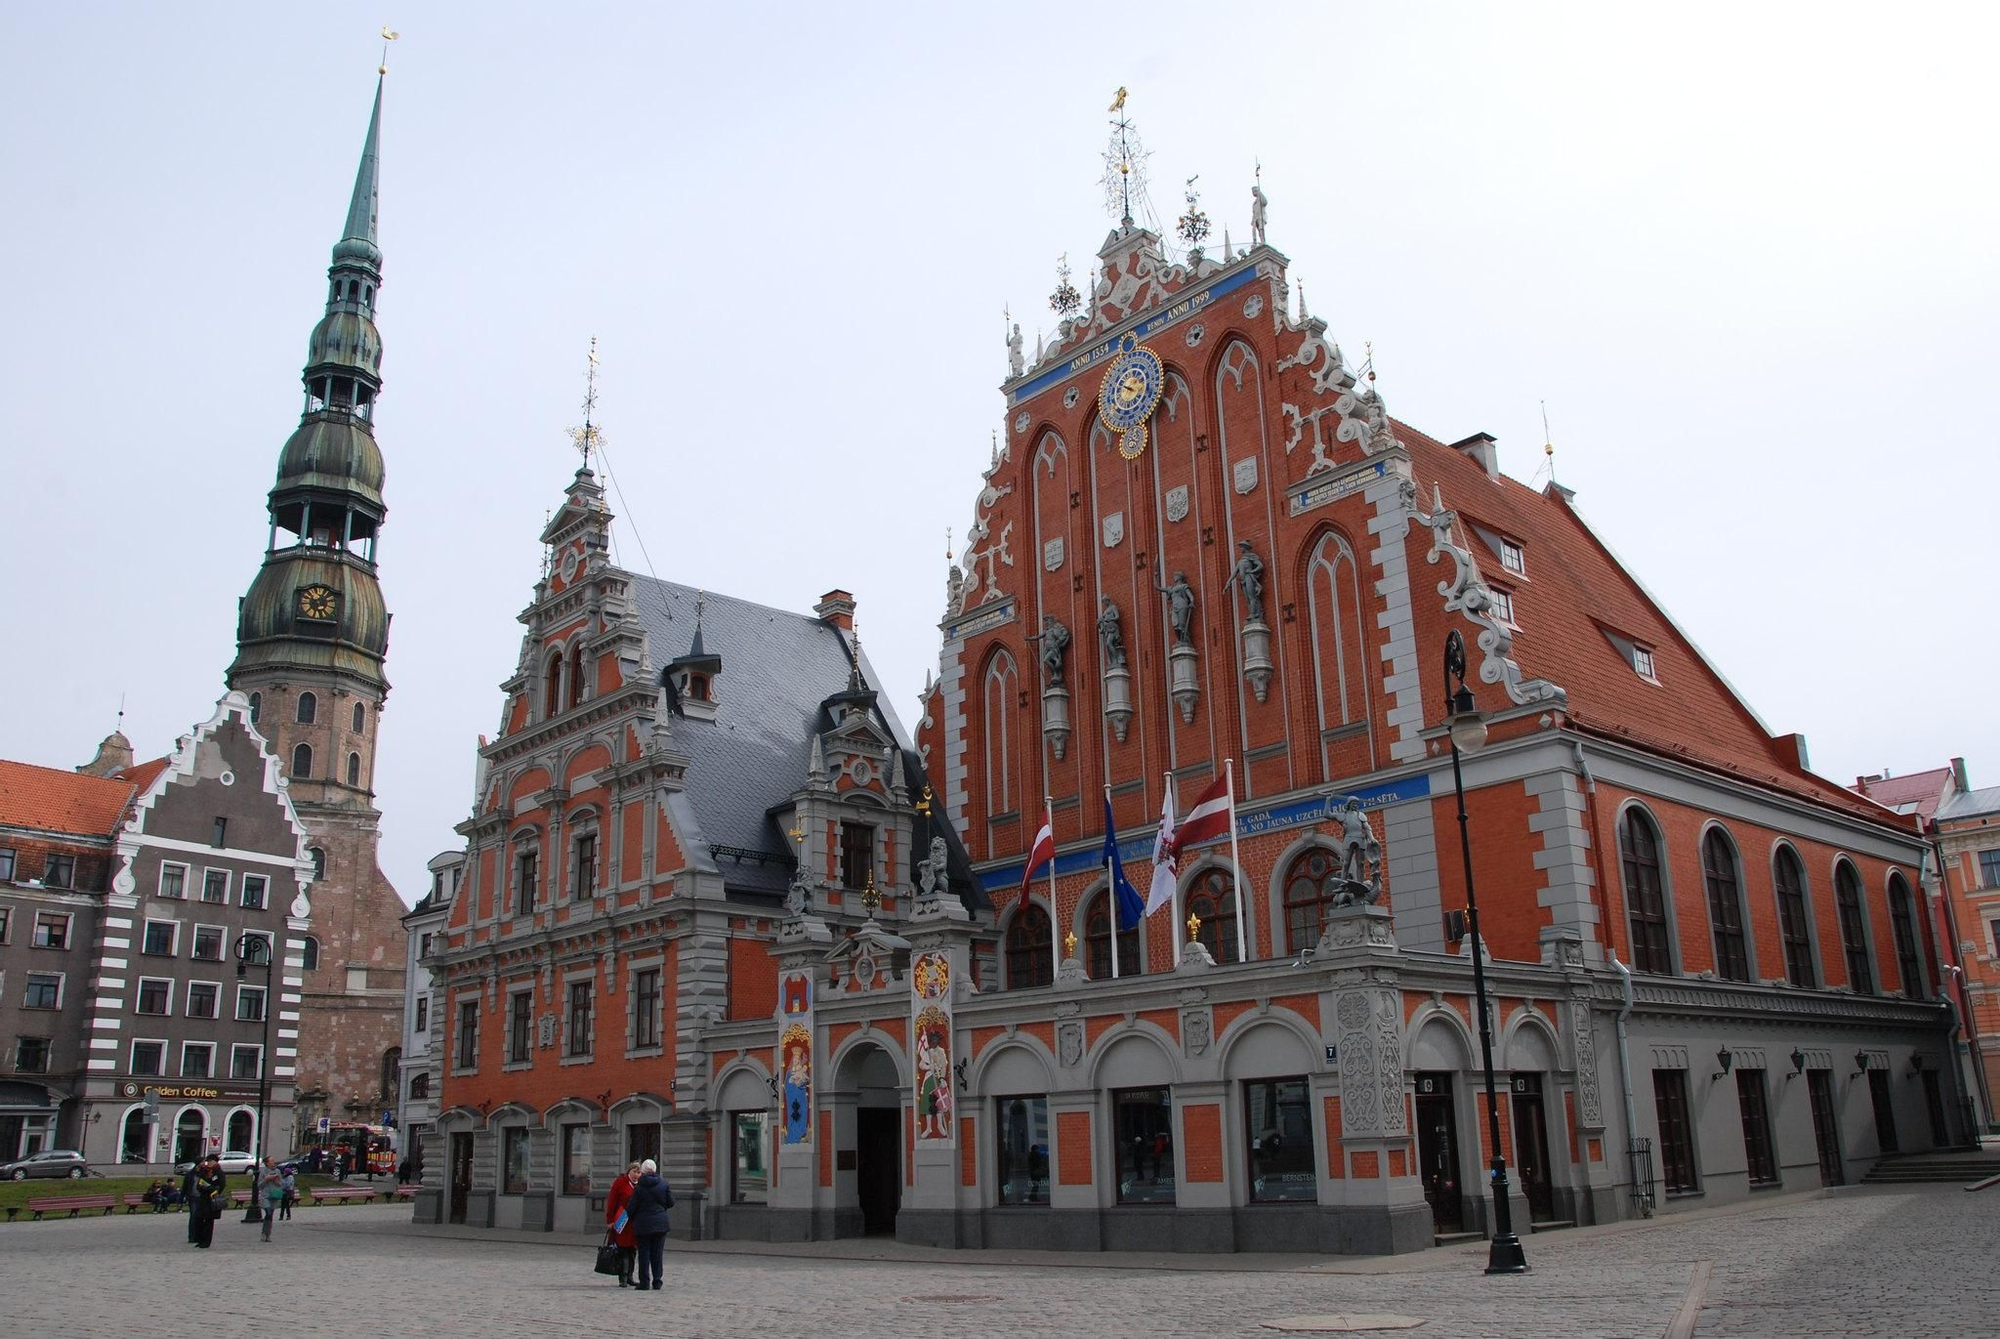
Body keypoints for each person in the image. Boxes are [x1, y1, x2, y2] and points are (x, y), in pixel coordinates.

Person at [626, 1158, 675, 1293]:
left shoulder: (639, 1187)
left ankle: (645, 1282)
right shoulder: (664, 1184)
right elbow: (671, 1202)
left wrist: (627, 1220)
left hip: (643, 1225)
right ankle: (657, 1281)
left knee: (644, 1254)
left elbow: (631, 1207)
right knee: (657, 1253)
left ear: (642, 1171)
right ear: (654, 1170)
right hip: (660, 1223)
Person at [604, 1161, 640, 1288]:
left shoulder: (639, 1186)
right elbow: (612, 1202)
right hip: (622, 1221)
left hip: (634, 1223)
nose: (636, 1175)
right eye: (634, 1171)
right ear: (628, 1172)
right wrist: (609, 1220)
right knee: (622, 1249)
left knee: (632, 1250)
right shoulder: (620, 1183)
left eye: (638, 1172)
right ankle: (623, 1277)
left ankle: (630, 1276)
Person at [188, 1156, 226, 1248]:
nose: (208, 1163)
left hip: (212, 1200)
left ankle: (206, 1242)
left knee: (209, 1221)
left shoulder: (219, 1172)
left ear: (215, 1162)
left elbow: (220, 1186)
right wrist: (207, 1187)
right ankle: (200, 1240)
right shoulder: (204, 1171)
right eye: (207, 1161)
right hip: (203, 1199)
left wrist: (209, 1188)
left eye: (210, 1161)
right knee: (198, 1219)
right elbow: (199, 1185)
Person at [258, 1157, 284, 1242]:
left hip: (274, 1196)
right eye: (271, 1161)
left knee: (270, 1215)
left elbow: (281, 1184)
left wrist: (276, 1181)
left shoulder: (277, 1171)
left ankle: (267, 1234)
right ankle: (263, 1233)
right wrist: (266, 1179)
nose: (273, 1162)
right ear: (267, 1163)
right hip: (265, 1196)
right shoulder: (263, 1171)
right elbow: (259, 1185)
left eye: (273, 1160)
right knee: (268, 1213)